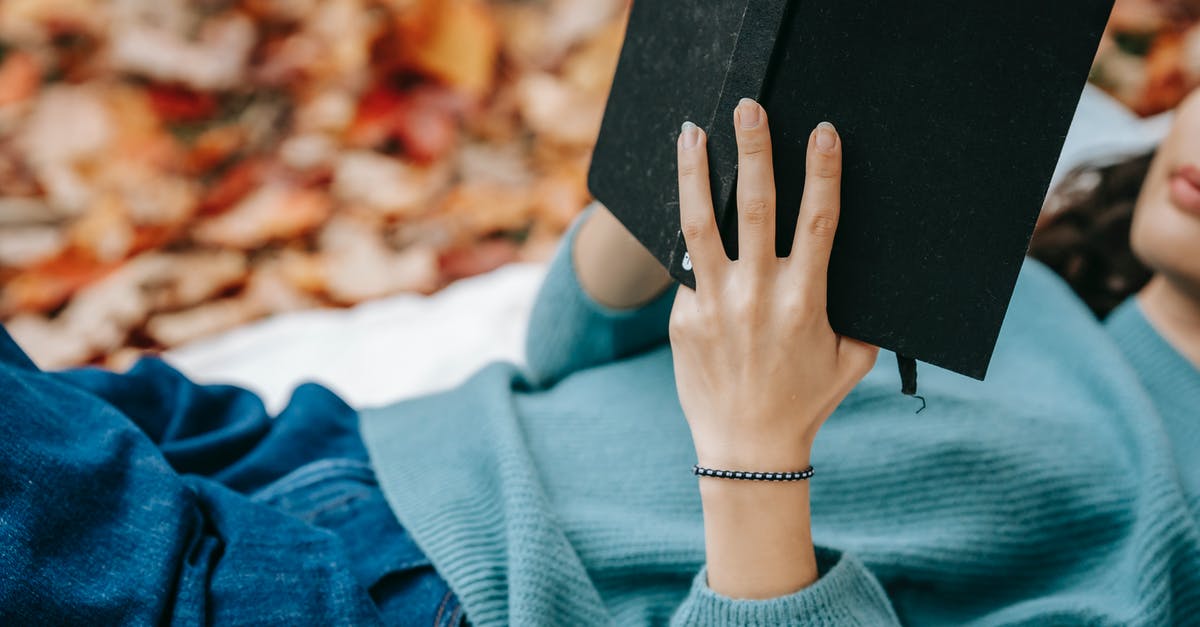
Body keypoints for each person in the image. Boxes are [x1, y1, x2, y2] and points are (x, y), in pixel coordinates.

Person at [3, 93, 1199, 625]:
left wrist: (758, 450)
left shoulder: (1175, 532)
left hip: (419, 594)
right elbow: (574, 357)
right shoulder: (1022, 278)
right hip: (341, 447)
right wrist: (681, 180)